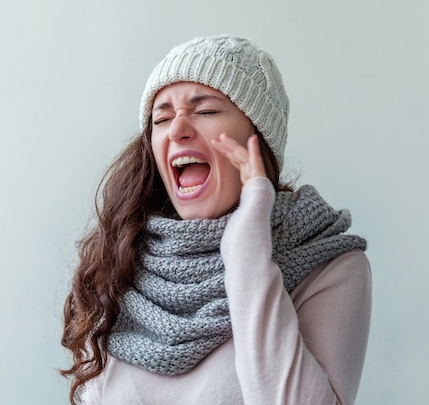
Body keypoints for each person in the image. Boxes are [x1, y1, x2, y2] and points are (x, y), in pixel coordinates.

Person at [61, 35, 371, 405]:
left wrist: (247, 252)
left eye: (205, 111)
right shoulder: (117, 264)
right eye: (161, 118)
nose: (177, 129)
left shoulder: (330, 266)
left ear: (260, 138)